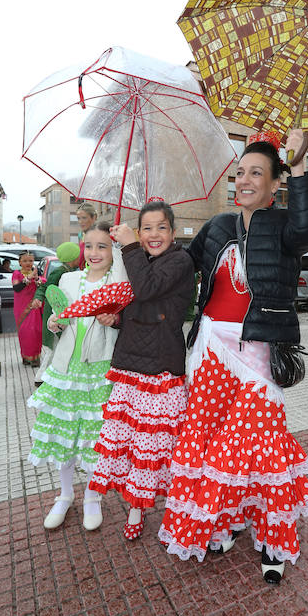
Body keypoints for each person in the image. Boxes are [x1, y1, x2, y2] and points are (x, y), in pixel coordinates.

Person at [159, 129, 308, 584]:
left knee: (260, 444)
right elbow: (180, 269)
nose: (244, 181)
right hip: (210, 348)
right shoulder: (217, 227)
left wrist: (300, 164)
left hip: (258, 351)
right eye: (239, 173)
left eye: (256, 173)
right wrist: (140, 246)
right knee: (209, 441)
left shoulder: (288, 227)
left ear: (274, 185)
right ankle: (226, 523)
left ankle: (273, 539)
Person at [88, 201, 194, 540]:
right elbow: (137, 305)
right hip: (130, 365)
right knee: (135, 447)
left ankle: (176, 511)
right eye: (146, 228)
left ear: (173, 232)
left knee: (161, 447)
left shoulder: (179, 260)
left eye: (161, 227)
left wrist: (130, 245)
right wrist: (115, 318)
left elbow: (147, 288)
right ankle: (136, 507)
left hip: (161, 369)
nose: (153, 234)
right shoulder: (136, 259)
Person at [27, 222, 127, 531]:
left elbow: (123, 317)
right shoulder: (68, 279)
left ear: (114, 251)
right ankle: (66, 494)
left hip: (100, 372)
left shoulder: (120, 281)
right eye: (89, 246)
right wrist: (56, 323)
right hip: (66, 370)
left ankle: (93, 498)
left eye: (103, 246)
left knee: (95, 439)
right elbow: (57, 323)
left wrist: (123, 247)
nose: (95, 253)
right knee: (65, 434)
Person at [32, 242, 81, 381]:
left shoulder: (70, 271)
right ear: (72, 258)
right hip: (55, 315)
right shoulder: (59, 272)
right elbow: (46, 287)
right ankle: (40, 378)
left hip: (62, 314)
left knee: (56, 347)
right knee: (52, 348)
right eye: (78, 256)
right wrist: (38, 297)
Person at [12, 252, 43, 367]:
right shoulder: (16, 274)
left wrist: (38, 279)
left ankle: (35, 358)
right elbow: (17, 288)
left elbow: (42, 285)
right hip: (21, 308)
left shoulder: (37, 272)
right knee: (24, 333)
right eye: (25, 261)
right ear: (19, 262)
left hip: (34, 306)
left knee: (35, 331)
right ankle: (25, 356)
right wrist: (28, 278)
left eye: (30, 261)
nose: (28, 263)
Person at [76, 202, 97, 269]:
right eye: (78, 218)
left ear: (94, 217)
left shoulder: (99, 237)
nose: (80, 222)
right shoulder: (82, 236)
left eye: (84, 218)